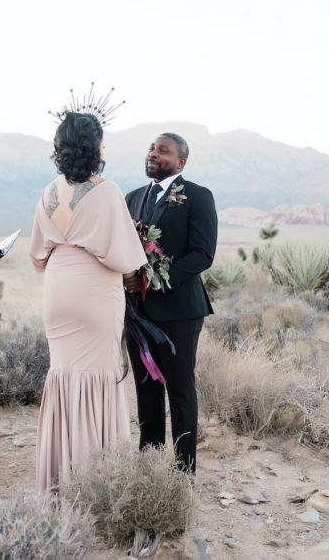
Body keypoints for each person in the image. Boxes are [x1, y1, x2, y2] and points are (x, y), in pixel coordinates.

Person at [29, 111, 147, 494]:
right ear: (95, 147)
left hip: (58, 290)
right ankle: (96, 483)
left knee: (64, 375)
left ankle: (60, 480)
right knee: (97, 377)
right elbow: (127, 259)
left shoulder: (48, 192)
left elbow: (37, 255)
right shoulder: (107, 191)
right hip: (96, 291)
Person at [124, 132, 217, 474]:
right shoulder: (132, 198)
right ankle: (149, 468)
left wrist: (151, 279)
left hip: (180, 311)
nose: (153, 153)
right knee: (146, 391)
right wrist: (127, 276)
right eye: (151, 148)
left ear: (181, 162)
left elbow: (202, 254)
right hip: (137, 311)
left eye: (162, 151)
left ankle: (182, 474)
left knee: (179, 392)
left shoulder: (197, 197)